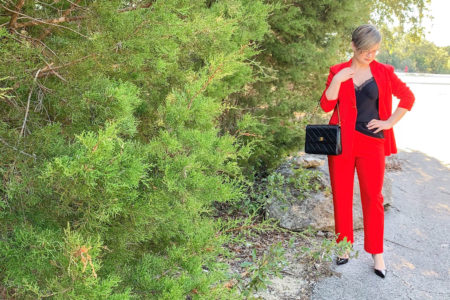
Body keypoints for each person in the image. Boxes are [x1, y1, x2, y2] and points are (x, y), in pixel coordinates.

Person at [319, 24, 415, 279]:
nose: (370, 55)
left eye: (374, 50)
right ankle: (343, 247)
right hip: (342, 144)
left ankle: (377, 253)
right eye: (365, 51)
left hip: (373, 143)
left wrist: (389, 122)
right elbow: (326, 104)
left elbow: (407, 98)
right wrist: (337, 81)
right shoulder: (338, 71)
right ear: (353, 46)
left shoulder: (383, 72)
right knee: (341, 195)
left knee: (373, 198)